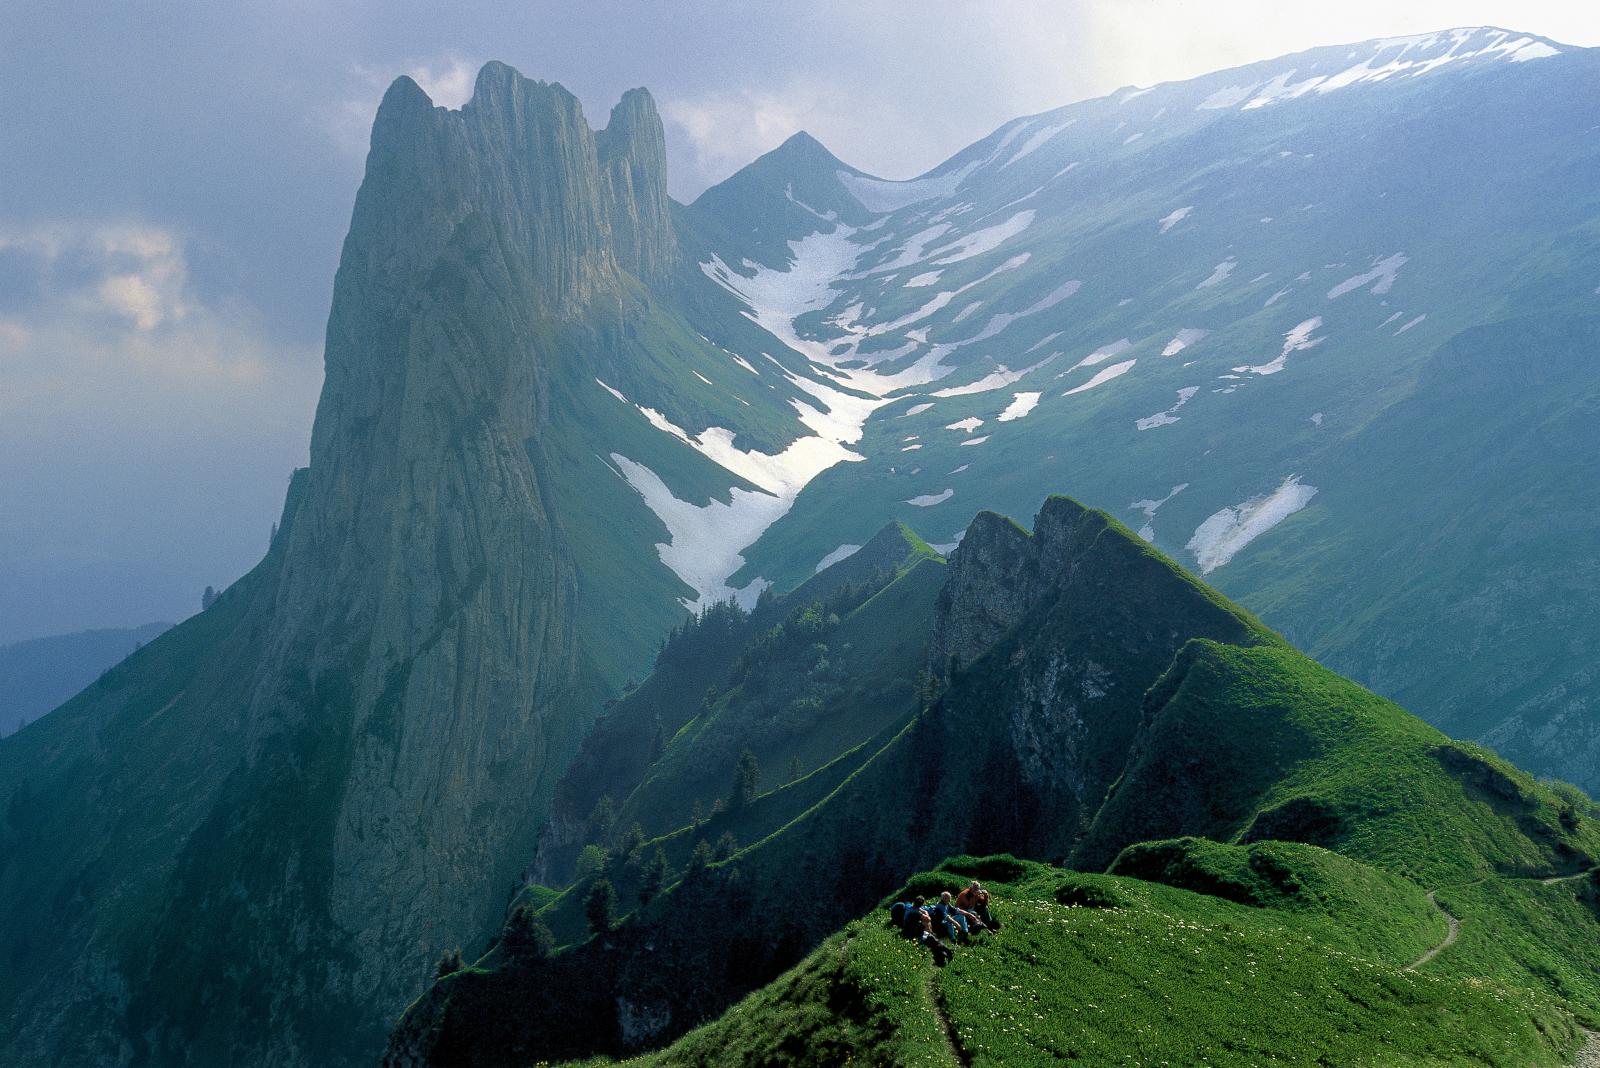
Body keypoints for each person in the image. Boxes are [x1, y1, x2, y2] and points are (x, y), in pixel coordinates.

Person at [897, 896, 954, 964]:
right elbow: (928, 919)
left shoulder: (909, 909)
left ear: (914, 902)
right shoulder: (916, 913)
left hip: (911, 932)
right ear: (921, 905)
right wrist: (924, 911)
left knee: (932, 940)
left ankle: (944, 954)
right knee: (932, 940)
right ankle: (945, 953)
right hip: (914, 935)